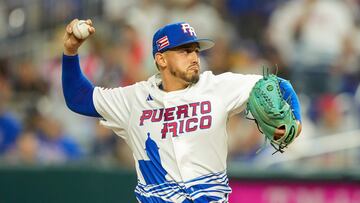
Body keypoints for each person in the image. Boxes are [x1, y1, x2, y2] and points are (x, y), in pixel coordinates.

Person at [62, 19, 302, 203]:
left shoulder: (217, 87)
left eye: (196, 50)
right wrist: (71, 52)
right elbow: (78, 98)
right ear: (162, 59)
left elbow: (277, 85)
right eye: (185, 51)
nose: (194, 57)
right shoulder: (134, 99)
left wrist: (297, 120)